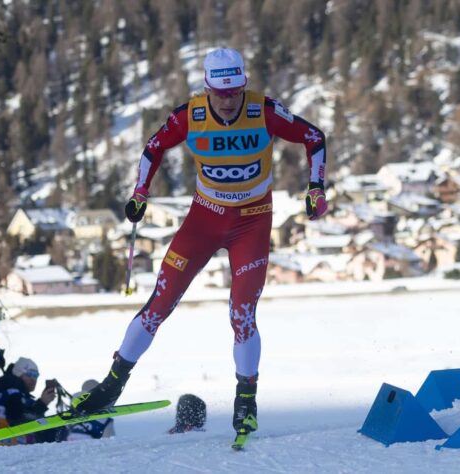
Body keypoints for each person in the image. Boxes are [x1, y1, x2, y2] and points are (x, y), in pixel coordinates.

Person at [72, 48, 328, 440]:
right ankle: (111, 386)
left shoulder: (265, 110)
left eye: (235, 92)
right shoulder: (189, 115)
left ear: (243, 85)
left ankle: (246, 402)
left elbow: (314, 137)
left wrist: (316, 187)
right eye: (220, 94)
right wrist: (140, 193)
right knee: (159, 303)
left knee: (241, 314)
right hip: (204, 220)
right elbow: (153, 148)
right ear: (207, 88)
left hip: (252, 224)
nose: (228, 101)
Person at [0, 357, 67, 445]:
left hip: (2, 439)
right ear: (18, 373)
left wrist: (41, 404)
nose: (33, 379)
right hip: (6, 442)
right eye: (29, 374)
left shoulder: (6, 391)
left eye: (36, 375)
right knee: (57, 428)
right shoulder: (13, 393)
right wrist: (42, 404)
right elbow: (19, 421)